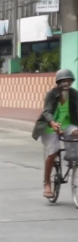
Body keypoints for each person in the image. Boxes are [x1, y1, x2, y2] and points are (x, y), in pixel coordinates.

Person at [33, 69, 78, 200]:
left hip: (67, 125)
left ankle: (72, 160)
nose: (66, 83)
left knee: (76, 134)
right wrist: (52, 123)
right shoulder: (52, 94)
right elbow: (47, 111)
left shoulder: (74, 94)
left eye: (68, 81)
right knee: (53, 151)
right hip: (49, 126)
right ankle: (47, 183)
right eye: (63, 81)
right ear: (58, 83)